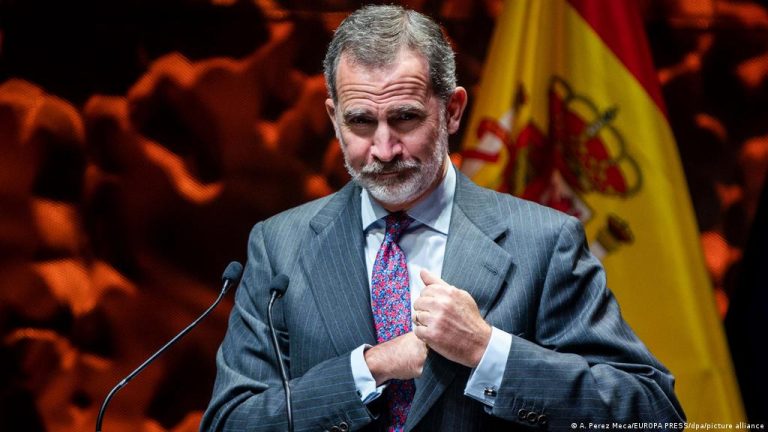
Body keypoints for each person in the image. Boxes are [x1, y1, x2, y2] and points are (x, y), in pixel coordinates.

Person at [201, 5, 685, 431]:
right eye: (361, 122)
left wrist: (487, 350)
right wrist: (369, 368)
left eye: (405, 118)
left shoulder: (544, 241)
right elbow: (230, 422)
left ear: (452, 111)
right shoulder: (279, 246)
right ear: (334, 118)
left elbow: (651, 412)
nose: (383, 149)